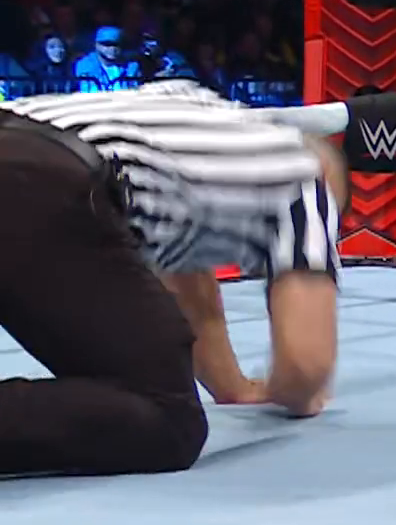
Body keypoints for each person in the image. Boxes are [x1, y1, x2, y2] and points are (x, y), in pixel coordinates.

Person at [0, 80, 344, 477]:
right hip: (43, 181)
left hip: (22, 137)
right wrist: (295, 394)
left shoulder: (195, 109)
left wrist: (233, 387)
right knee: (168, 419)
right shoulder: (305, 181)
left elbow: (189, 292)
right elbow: (305, 365)